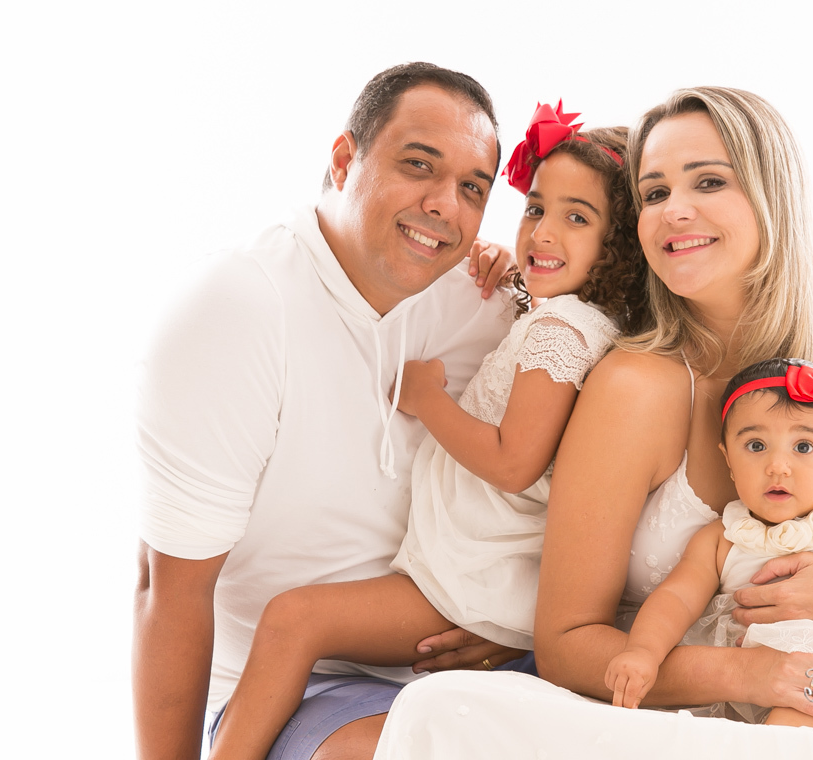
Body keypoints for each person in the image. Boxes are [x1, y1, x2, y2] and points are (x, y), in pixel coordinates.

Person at [371, 87, 813, 760]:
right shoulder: (634, 386)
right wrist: (752, 674)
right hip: (682, 710)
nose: (675, 210)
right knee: (441, 715)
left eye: (708, 182)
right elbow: (568, 644)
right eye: (654, 193)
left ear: (772, 195)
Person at [208, 105, 645, 760]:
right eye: (535, 209)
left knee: (292, 620)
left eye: (576, 218)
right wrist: (510, 266)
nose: (543, 232)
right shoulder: (571, 319)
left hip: (470, 587)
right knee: (294, 623)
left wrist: (427, 400)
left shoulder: (562, 331)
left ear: (621, 245)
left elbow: (515, 462)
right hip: (469, 578)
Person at [133, 62, 522, 760]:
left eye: (473, 187)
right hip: (296, 687)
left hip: (476, 662)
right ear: (345, 160)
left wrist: (508, 626)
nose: (445, 205)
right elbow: (169, 589)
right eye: (418, 164)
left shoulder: (488, 303)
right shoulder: (240, 309)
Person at [606, 358, 813, 726]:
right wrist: (643, 651)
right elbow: (675, 598)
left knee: (794, 721)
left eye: (803, 447)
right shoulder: (722, 538)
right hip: (749, 684)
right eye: (756, 445)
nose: (777, 466)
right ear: (728, 460)